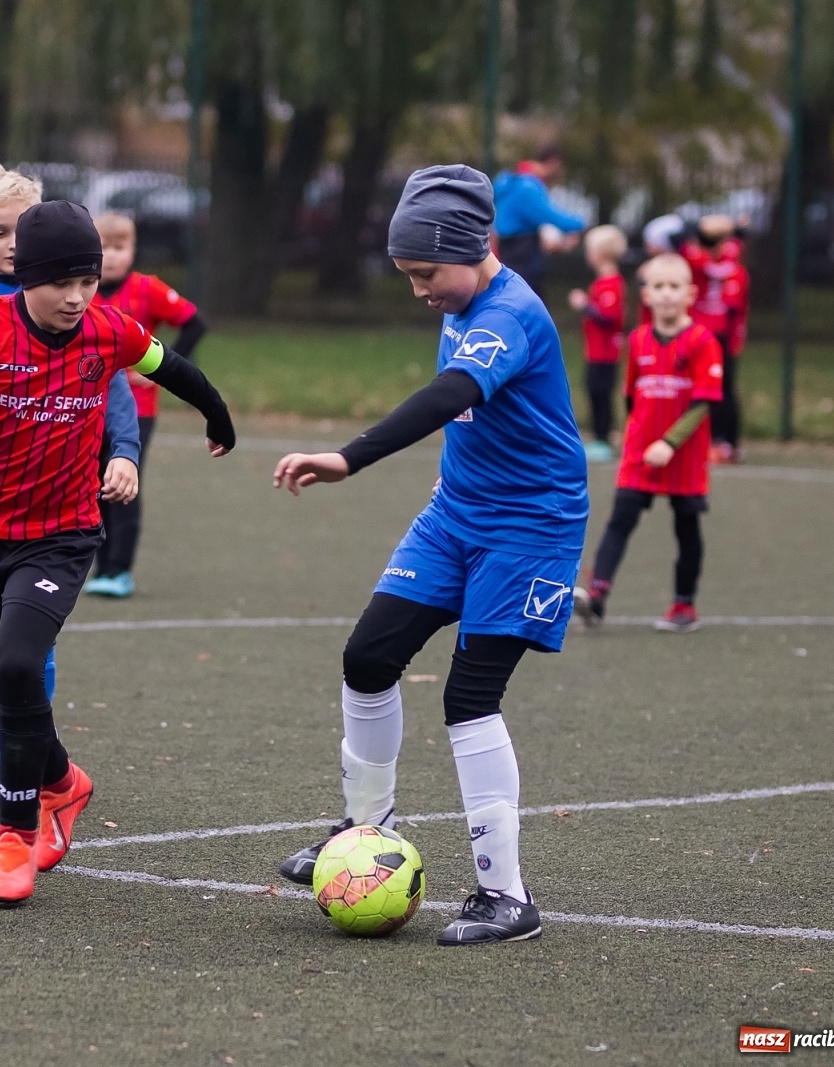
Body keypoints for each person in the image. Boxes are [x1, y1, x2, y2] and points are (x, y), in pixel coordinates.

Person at [0, 201, 235, 905]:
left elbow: (174, 368)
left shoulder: (109, 329)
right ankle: (64, 781)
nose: (75, 297)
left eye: (87, 282)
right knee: (2, 680)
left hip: (63, 536)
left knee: (16, 665)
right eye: (61, 283)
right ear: (26, 277)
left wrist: (218, 417)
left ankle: (15, 838)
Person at [271, 165, 587, 945]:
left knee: (470, 695)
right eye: (407, 275)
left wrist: (349, 456)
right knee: (368, 656)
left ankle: (506, 895)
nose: (418, 291)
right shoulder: (462, 295)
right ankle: (364, 832)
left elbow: (450, 394)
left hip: (531, 526)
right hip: (455, 515)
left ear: (475, 247)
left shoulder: (509, 312)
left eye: (425, 274)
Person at [0, 166, 142, 805]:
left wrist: (124, 452)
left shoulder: (75, 303)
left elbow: (113, 380)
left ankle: (26, 763)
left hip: (59, 498)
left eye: (24, 229)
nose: (15, 243)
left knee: (31, 647)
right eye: (0, 232)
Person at [574, 254, 724, 634]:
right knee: (620, 518)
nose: (667, 294)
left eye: (675, 286)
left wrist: (670, 442)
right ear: (646, 295)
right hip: (641, 452)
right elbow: (630, 395)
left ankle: (684, 605)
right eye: (659, 286)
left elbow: (703, 402)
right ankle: (596, 597)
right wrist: (636, 436)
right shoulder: (638, 340)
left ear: (690, 294)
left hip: (683, 455)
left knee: (686, 526)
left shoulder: (703, 341)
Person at [83, 211, 210, 599]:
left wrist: (163, 370)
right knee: (90, 485)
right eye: (104, 247)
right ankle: (98, 567)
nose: (112, 255)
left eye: (120, 246)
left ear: (133, 249)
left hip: (137, 409)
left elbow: (194, 322)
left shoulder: (147, 289)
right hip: (86, 408)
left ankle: (119, 569)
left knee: (122, 482)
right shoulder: (78, 291)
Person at [680, 216, 750, 463]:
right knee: (696, 388)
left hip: (721, 337)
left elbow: (732, 308)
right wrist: (736, 230)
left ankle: (726, 443)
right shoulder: (699, 261)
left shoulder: (732, 270)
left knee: (723, 389)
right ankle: (703, 440)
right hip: (699, 333)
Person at [567, 224, 628, 463]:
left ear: (600, 253)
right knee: (594, 391)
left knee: (601, 393)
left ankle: (603, 437)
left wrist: (584, 305)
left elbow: (609, 317)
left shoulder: (611, 283)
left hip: (605, 353)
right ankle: (599, 435)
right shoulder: (602, 282)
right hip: (595, 351)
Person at [491, 144, 586, 294]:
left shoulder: (511, 179)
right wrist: (582, 224)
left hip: (507, 250)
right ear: (555, 162)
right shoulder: (528, 186)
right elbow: (551, 216)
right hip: (522, 255)